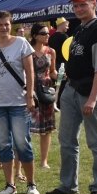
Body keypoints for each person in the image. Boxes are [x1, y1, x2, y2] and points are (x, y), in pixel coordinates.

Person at [46, 0, 97, 194]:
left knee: (96, 142)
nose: (78, 8)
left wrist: (93, 98)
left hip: (88, 90)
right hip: (71, 89)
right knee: (66, 140)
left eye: (83, 4)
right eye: (75, 5)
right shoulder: (81, 28)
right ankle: (67, 185)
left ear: (94, 4)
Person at [0, 10, 38, 194]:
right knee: (3, 145)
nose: (4, 27)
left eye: (7, 24)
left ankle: (31, 184)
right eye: (0, 24)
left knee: (22, 143)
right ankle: (10, 185)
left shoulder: (21, 43)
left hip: (19, 102)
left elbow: (30, 72)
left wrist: (29, 96)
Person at [29, 23, 57, 169]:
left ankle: (43, 161)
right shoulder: (27, 51)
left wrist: (58, 75)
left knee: (46, 129)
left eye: (48, 33)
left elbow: (52, 71)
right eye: (43, 33)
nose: (47, 35)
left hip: (46, 92)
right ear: (34, 35)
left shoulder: (51, 51)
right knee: (27, 127)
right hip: (30, 91)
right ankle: (24, 161)